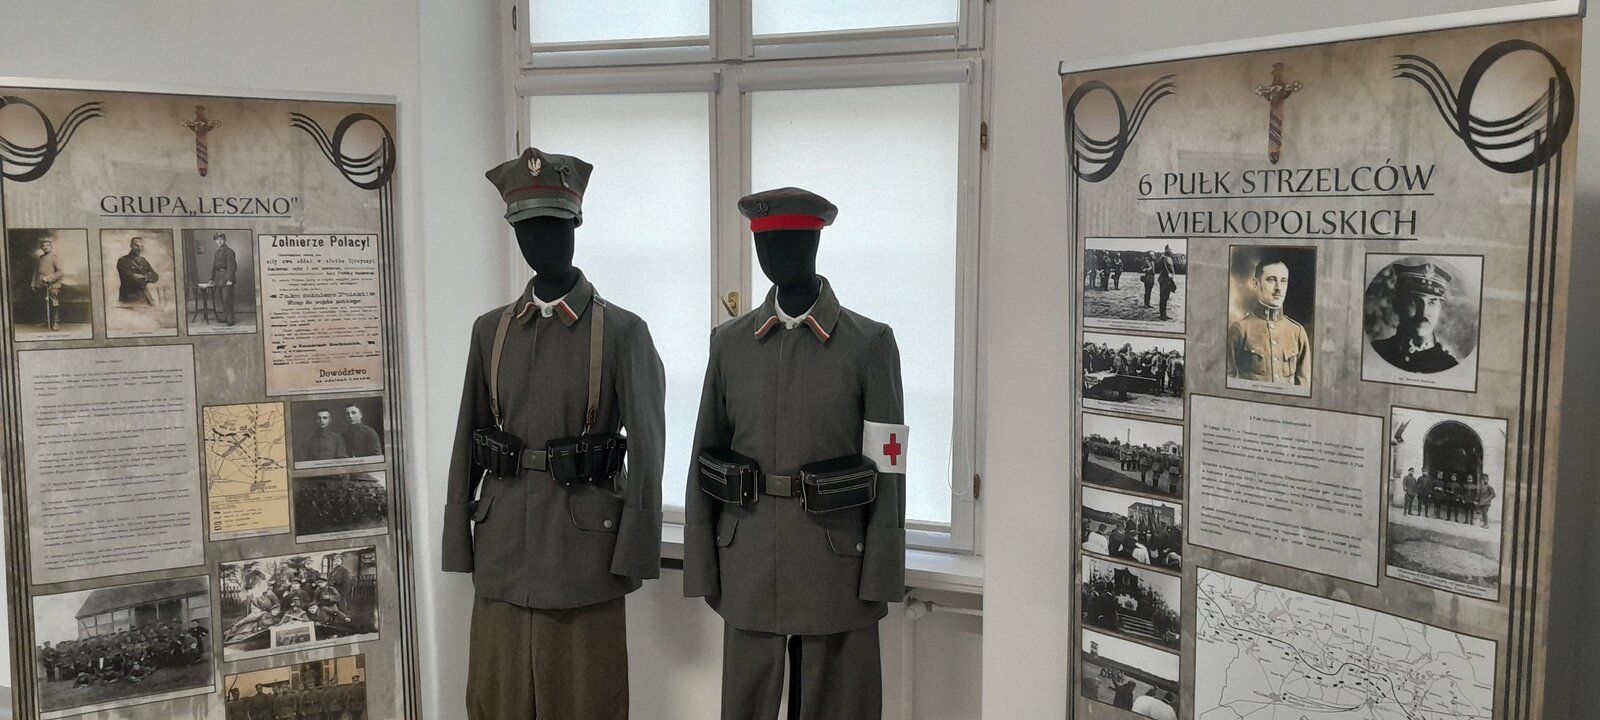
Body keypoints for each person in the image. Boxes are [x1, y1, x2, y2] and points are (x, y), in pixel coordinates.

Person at [1226, 256, 1310, 387]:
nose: (1279, 288)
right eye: (1271, 280)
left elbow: (1304, 387)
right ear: (1256, 283)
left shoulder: (1297, 332)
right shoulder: (1240, 330)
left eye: (1283, 281)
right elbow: (1226, 383)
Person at [1372, 261, 1459, 373]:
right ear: (1397, 305)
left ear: (1439, 308)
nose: (1423, 312)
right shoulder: (1378, 352)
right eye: (1414, 302)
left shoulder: (1449, 365)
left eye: (1431, 303)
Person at [32, 238, 66, 330]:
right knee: (43, 302)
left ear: (51, 247)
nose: (45, 247)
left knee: (53, 302)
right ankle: (46, 320)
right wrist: (33, 283)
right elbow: (36, 272)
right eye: (43, 246)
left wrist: (48, 278)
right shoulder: (40, 258)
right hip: (41, 284)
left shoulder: (55, 258)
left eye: (47, 245)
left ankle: (55, 322)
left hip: (53, 284)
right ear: (41, 248)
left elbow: (60, 272)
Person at [115, 236, 159, 305]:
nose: (140, 249)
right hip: (130, 298)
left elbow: (155, 277)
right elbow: (130, 279)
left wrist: (144, 277)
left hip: (146, 298)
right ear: (131, 246)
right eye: (137, 246)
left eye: (142, 246)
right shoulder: (123, 261)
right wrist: (147, 276)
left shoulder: (143, 260)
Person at [211, 232, 239, 325]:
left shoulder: (229, 251)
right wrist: (211, 278)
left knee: (227, 299)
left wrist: (229, 279)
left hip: (227, 277)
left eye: (221, 240)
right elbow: (214, 266)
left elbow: (232, 266)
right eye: (217, 240)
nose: (219, 242)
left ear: (225, 240)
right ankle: (226, 317)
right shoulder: (216, 252)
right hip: (219, 278)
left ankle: (231, 320)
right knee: (222, 300)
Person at [1156, 245, 1177, 321]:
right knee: (1163, 297)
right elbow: (1165, 268)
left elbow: (1171, 268)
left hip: (1168, 280)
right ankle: (1162, 315)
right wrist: (1169, 274)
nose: (1171, 250)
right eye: (1170, 249)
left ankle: (1164, 314)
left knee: (1166, 297)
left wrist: (1172, 275)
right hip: (1164, 279)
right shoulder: (1163, 258)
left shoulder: (1169, 258)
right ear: (1166, 250)